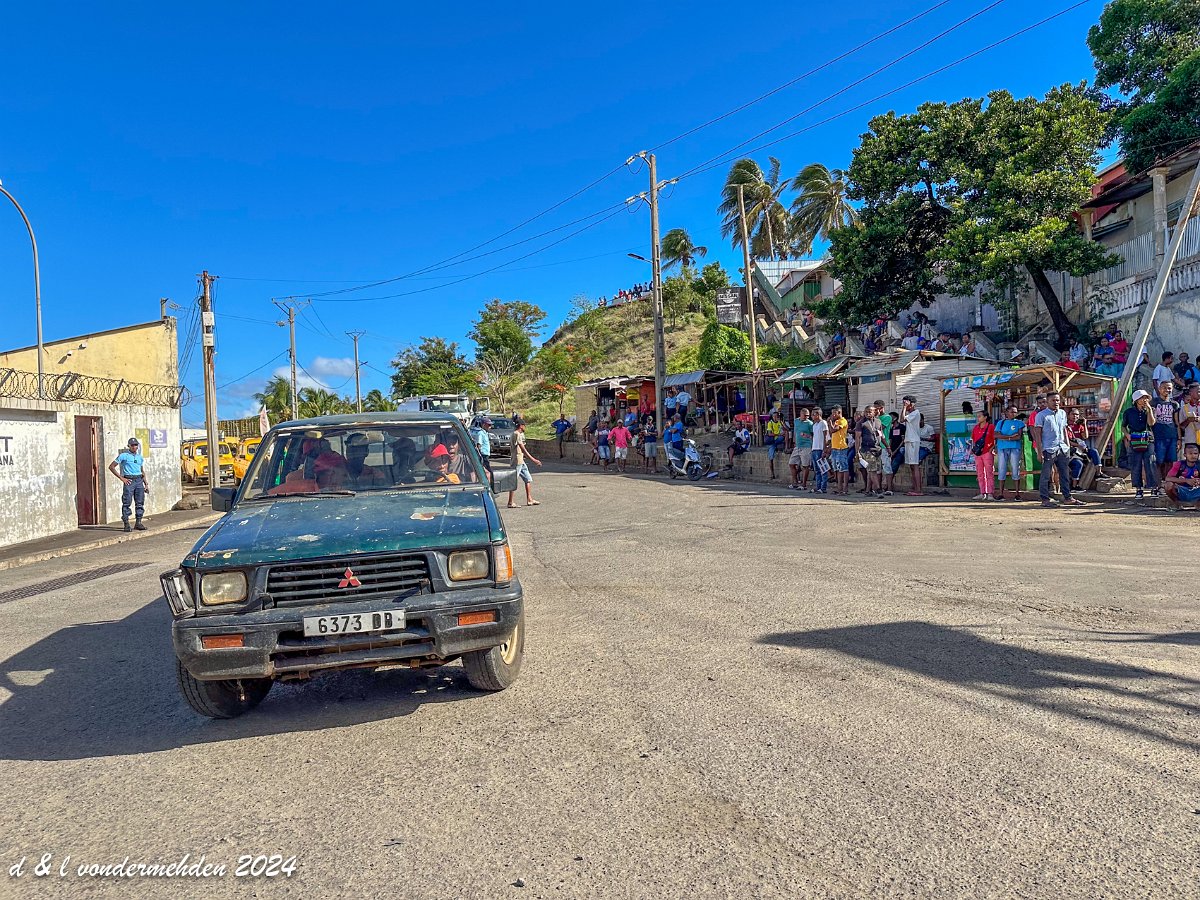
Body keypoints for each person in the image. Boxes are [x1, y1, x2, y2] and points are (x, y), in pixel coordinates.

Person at [1035, 391, 1085, 507]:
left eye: (1057, 400)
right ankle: (1045, 499)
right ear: (1047, 402)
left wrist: (1067, 446)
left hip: (1062, 448)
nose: (1056, 402)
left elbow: (1064, 429)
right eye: (1053, 400)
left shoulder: (1062, 413)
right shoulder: (1041, 415)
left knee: (1064, 474)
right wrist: (1039, 451)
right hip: (1048, 449)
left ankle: (1067, 497)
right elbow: (1037, 434)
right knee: (1046, 475)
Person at [109, 437, 150, 532]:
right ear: (129, 446)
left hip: (139, 480)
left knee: (140, 502)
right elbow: (111, 467)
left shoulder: (139, 457)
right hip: (129, 480)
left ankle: (138, 522)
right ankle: (126, 524)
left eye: (136, 445)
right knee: (127, 502)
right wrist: (121, 478)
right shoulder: (124, 456)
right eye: (132, 445)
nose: (134, 447)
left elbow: (142, 471)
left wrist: (146, 484)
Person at [1123, 389, 1157, 499]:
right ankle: (1138, 488)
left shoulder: (1150, 410)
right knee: (1136, 464)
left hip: (1148, 439)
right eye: (1142, 398)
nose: (1144, 400)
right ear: (1136, 400)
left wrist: (1149, 410)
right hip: (1134, 439)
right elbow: (1123, 426)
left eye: (1146, 398)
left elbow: (1151, 423)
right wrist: (1128, 436)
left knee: (1150, 462)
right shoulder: (1128, 412)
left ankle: (1153, 487)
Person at [994, 405, 1026, 501]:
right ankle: (1001, 493)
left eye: (1015, 412)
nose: (1014, 414)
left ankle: (1017, 494)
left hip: (1015, 448)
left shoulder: (1019, 423)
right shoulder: (1001, 422)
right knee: (1001, 469)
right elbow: (996, 435)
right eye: (1012, 412)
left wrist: (1003, 437)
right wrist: (1010, 437)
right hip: (1002, 448)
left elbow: (1018, 436)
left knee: (1016, 469)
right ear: (1006, 412)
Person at [1151, 379, 1181, 481]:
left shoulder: (1174, 404)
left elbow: (1176, 422)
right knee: (1159, 460)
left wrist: (1179, 438)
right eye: (1164, 388)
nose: (1167, 390)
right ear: (1159, 389)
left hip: (1172, 436)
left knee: (1170, 461)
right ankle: (1158, 482)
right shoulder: (1154, 402)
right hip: (1158, 436)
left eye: (1169, 388)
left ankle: (1167, 480)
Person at [1065, 409, 1102, 490]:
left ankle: (1099, 473)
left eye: (1077, 415)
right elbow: (1066, 441)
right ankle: (1074, 486)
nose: (1075, 416)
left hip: (1082, 450)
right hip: (1072, 451)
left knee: (1094, 451)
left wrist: (1084, 424)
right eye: (1073, 414)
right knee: (1078, 464)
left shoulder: (1079, 426)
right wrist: (1078, 445)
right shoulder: (1066, 426)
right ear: (1068, 415)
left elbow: (1085, 436)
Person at [507, 421, 541, 507]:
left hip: (521, 460)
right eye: (524, 426)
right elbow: (523, 448)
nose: (525, 427)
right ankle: (510, 502)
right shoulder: (516, 434)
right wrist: (534, 460)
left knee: (528, 479)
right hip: (517, 460)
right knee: (513, 481)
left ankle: (529, 499)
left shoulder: (517, 434)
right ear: (521, 426)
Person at [1164, 442, 1200, 510]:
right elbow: (1168, 478)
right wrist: (1186, 480)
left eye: (1195, 453)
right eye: (1190, 454)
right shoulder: (1179, 464)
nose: (1193, 456)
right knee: (1168, 485)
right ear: (1185, 455)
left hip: (1196, 490)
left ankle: (1198, 503)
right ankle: (1176, 503)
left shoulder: (1199, 464)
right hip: (1182, 491)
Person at [858, 406, 885, 497]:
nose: (868, 414)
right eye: (866, 412)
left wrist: (887, 446)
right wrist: (857, 452)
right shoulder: (861, 423)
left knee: (873, 470)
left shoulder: (878, 422)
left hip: (877, 448)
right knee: (872, 470)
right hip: (867, 449)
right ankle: (878, 490)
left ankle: (868, 490)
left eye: (870, 412)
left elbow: (881, 435)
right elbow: (857, 438)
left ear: (874, 412)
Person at [971, 411, 997, 500]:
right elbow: (973, 440)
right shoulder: (976, 428)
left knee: (989, 473)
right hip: (978, 453)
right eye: (977, 416)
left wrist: (991, 449)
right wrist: (973, 450)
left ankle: (990, 493)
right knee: (980, 473)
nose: (978, 418)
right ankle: (982, 493)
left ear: (985, 417)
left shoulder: (991, 427)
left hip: (987, 452)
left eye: (980, 416)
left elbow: (995, 439)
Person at [901, 395, 924, 496]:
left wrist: (904, 408)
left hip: (913, 441)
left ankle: (918, 489)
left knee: (915, 465)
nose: (905, 405)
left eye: (906, 403)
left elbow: (901, 419)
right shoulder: (910, 414)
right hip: (909, 440)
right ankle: (915, 487)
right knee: (911, 466)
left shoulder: (915, 413)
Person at [788, 407, 814, 490]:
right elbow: (795, 431)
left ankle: (804, 484)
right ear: (801, 414)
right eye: (805, 415)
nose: (806, 417)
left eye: (808, 416)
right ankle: (795, 481)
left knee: (805, 466)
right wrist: (794, 442)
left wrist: (807, 436)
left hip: (806, 446)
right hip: (798, 446)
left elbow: (813, 435)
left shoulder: (810, 424)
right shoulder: (796, 421)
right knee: (791, 463)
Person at [828, 405, 850, 495]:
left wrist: (830, 422)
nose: (832, 415)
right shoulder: (836, 422)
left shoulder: (843, 421)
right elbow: (831, 433)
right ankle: (839, 488)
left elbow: (834, 430)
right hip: (835, 447)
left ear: (839, 412)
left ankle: (845, 488)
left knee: (844, 468)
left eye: (834, 413)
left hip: (841, 448)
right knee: (837, 469)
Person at [811, 407, 830, 494]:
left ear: (818, 415)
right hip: (814, 448)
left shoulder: (823, 423)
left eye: (813, 414)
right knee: (817, 470)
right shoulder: (814, 425)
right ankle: (818, 487)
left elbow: (826, 437)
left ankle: (823, 487)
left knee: (823, 469)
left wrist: (824, 449)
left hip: (820, 449)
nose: (812, 416)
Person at [765, 410, 787, 480]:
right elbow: (769, 434)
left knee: (786, 434)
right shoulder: (770, 423)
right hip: (773, 440)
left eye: (776, 416)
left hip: (778, 439)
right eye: (774, 416)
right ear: (772, 417)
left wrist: (782, 423)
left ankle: (786, 448)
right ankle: (772, 474)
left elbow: (786, 429)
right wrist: (779, 434)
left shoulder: (780, 422)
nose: (775, 418)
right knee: (770, 458)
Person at [1180, 382, 1200, 447]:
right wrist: (1188, 420)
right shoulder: (1184, 408)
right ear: (1190, 393)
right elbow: (1181, 427)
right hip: (1190, 440)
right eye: (1198, 391)